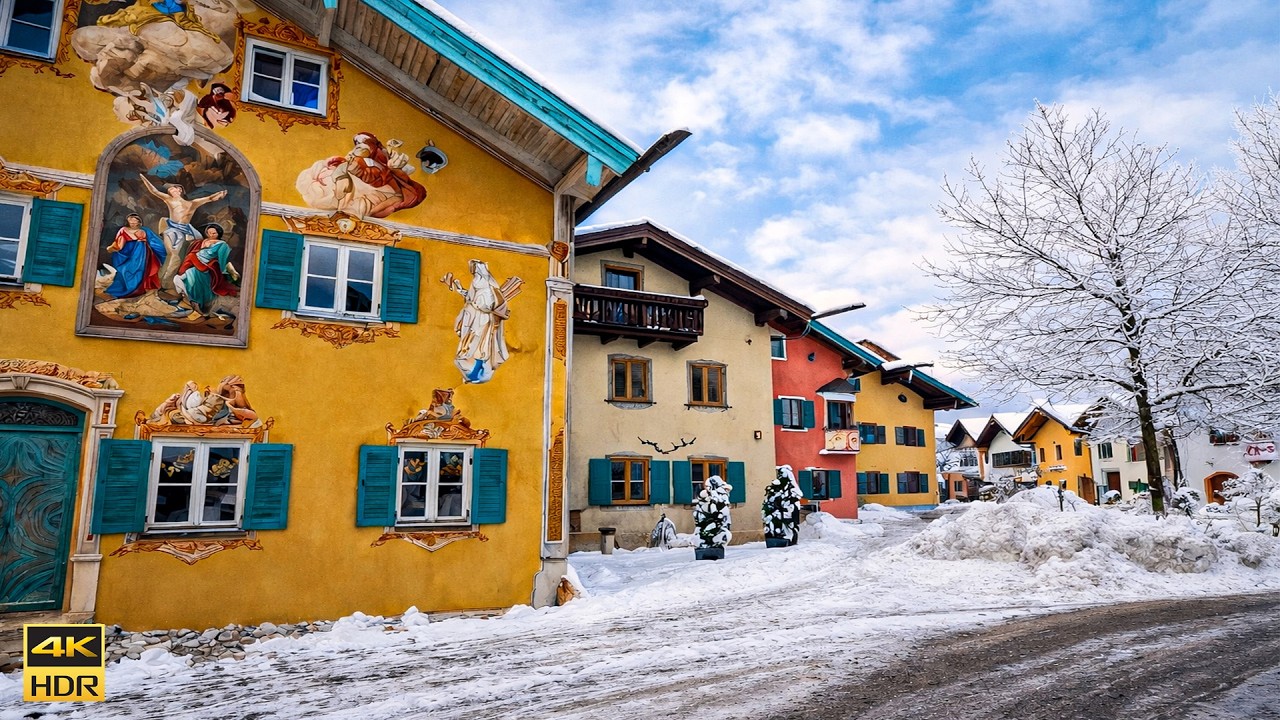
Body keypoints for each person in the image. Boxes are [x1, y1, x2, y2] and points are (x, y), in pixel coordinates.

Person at [327, 132, 425, 219]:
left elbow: (389, 169)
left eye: (362, 143)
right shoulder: (357, 160)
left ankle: (364, 212)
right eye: (357, 144)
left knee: (394, 199)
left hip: (384, 184)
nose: (359, 146)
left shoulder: (379, 155)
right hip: (372, 184)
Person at [446, 260, 509, 383]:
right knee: (471, 344)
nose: (474, 274)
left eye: (475, 271)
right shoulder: (476, 284)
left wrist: (475, 304)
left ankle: (476, 371)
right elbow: (470, 297)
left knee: (480, 344)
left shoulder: (487, 288)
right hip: (475, 319)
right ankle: (474, 370)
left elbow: (487, 305)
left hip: (484, 319)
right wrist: (461, 291)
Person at [173, 223, 239, 315]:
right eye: (209, 233)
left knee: (191, 269)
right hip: (194, 263)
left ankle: (198, 302)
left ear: (219, 233)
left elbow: (222, 259)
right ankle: (189, 299)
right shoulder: (202, 241)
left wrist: (223, 271)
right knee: (189, 266)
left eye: (214, 233)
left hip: (207, 265)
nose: (211, 235)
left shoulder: (222, 244)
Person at [103, 213, 167, 298]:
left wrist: (163, 251)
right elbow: (119, 244)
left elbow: (154, 242)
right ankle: (126, 288)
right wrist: (111, 248)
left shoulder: (144, 230)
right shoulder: (123, 230)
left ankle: (137, 289)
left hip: (140, 253)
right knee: (125, 270)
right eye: (131, 222)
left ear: (139, 222)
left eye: (135, 222)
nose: (133, 224)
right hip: (127, 252)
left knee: (139, 270)